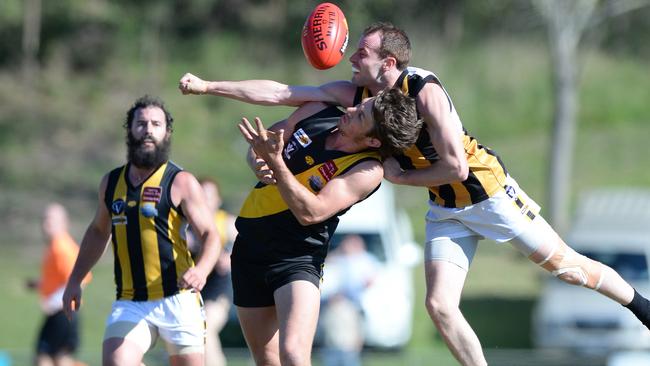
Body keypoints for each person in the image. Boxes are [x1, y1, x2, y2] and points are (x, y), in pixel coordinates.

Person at [178, 22, 650, 366]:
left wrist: (394, 175)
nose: (351, 57)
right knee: (439, 306)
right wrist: (209, 86)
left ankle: (640, 306)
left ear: (389, 62)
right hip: (444, 208)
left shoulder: (425, 91)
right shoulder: (358, 95)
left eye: (361, 51)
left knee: (567, 267)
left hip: (486, 193)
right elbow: (285, 93)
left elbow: (457, 166)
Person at [232, 88, 420, 366]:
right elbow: (261, 147)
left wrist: (276, 164)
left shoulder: (366, 170)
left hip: (297, 258)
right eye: (361, 105)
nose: (352, 109)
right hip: (249, 248)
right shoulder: (319, 112)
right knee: (265, 360)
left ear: (372, 139)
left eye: (362, 115)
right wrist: (258, 162)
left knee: (294, 354)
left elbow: (311, 212)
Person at [62, 95, 222, 366]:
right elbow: (98, 232)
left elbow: (210, 235)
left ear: (166, 132)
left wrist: (202, 269)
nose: (148, 129)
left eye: (156, 124)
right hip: (131, 300)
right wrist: (74, 279)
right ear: (130, 130)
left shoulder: (181, 182)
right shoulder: (111, 183)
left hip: (178, 299)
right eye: (141, 123)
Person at [27, 203, 91, 366]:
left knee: (45, 358)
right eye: (44, 220)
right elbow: (61, 279)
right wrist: (39, 284)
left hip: (62, 312)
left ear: (64, 223)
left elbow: (81, 279)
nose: (45, 224)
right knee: (59, 358)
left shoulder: (61, 247)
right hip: (62, 312)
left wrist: (54, 302)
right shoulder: (55, 246)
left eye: (50, 220)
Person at [187, 178, 237, 366]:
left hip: (219, 293)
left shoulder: (228, 224)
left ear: (218, 200)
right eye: (201, 196)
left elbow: (251, 250)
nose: (205, 201)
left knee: (204, 325)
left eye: (209, 197)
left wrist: (230, 258)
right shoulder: (185, 227)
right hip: (190, 294)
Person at [319, 234, 380, 366]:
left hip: (352, 305)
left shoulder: (365, 260)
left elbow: (369, 281)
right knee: (333, 342)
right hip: (335, 307)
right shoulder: (339, 259)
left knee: (350, 345)